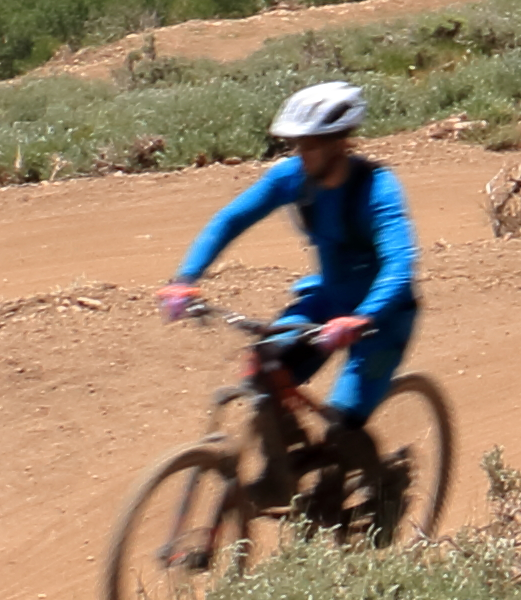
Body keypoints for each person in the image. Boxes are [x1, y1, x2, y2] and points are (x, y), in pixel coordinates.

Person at [159, 80, 423, 499]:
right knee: (265, 366)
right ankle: (287, 467)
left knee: (342, 420)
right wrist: (185, 280)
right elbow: (230, 221)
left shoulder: (379, 189)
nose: (302, 154)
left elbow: (399, 263)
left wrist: (363, 317)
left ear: (340, 142)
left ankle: (382, 486)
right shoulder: (292, 178)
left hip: (382, 319)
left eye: (312, 144)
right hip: (326, 301)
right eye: (298, 144)